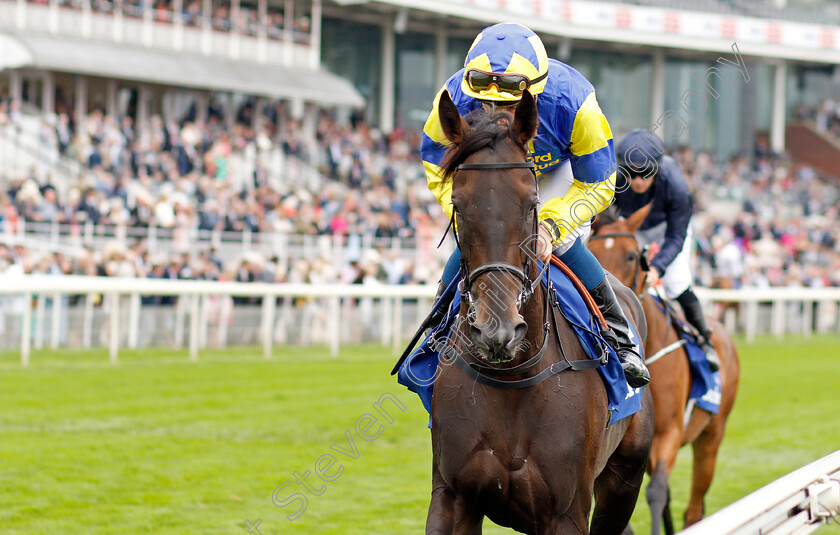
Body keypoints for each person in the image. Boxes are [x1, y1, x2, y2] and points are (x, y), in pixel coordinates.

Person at [420, 22, 649, 387]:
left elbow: (600, 182)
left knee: (559, 242)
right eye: (486, 101)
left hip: (563, 172)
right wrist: (467, 211)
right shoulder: (450, 100)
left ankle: (620, 336)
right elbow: (434, 162)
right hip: (494, 171)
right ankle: (433, 333)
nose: (496, 110)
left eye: (509, 103)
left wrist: (551, 225)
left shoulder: (577, 106)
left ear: (534, 93)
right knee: (482, 236)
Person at [614, 129, 720, 371]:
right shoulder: (615, 179)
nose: (638, 181)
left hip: (668, 231)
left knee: (675, 282)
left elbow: (676, 236)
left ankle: (705, 339)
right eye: (631, 174)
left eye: (645, 174)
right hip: (633, 226)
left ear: (657, 169)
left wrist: (656, 267)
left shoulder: (677, 187)